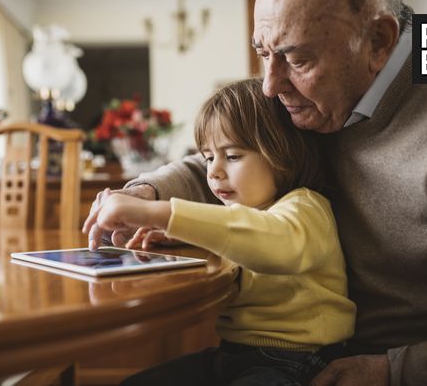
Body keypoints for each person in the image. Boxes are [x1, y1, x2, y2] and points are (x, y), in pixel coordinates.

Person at [84, 0, 427, 384]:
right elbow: (241, 153)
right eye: (264, 53)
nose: (270, 86)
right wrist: (146, 193)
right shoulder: (315, 90)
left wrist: (397, 370)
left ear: (379, 42)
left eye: (297, 60)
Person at [88, 78, 356, 385]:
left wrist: (156, 212)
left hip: (300, 361)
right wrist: (178, 232)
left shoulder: (306, 207)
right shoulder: (237, 213)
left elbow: (271, 243)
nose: (213, 172)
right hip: (232, 355)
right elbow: (233, 231)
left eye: (232, 156)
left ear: (283, 151)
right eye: (208, 157)